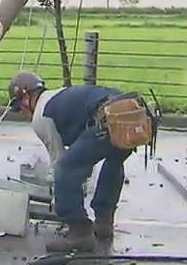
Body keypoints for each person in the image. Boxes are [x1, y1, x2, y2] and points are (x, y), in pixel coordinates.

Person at [9, 71, 140, 253]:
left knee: (65, 169)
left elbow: (59, 160)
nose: (22, 113)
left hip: (107, 118)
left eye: (18, 107)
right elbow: (85, 149)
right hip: (131, 115)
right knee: (114, 160)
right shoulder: (57, 96)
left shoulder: (41, 116)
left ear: (25, 95)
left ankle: (80, 233)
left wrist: (61, 199)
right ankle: (104, 222)